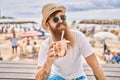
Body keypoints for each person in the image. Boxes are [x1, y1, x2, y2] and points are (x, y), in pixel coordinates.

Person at [36, 3, 106, 80]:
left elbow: (95, 65)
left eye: (63, 17)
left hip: (78, 77)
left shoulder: (78, 37)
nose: (61, 21)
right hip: (57, 77)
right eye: (55, 19)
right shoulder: (46, 45)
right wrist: (48, 62)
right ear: (47, 24)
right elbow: (39, 78)